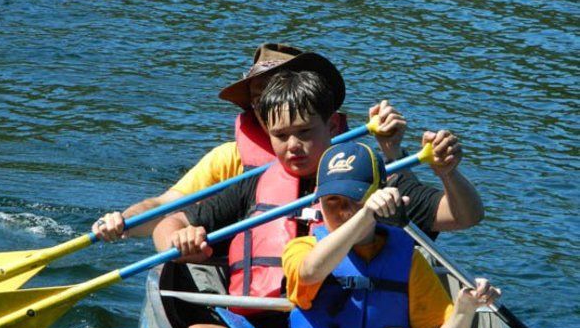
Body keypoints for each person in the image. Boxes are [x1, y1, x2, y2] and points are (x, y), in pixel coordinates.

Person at [92, 43, 483, 242]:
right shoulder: (238, 169)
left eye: (284, 91)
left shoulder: (362, 164)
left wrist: (422, 163)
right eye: (262, 97)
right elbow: (166, 210)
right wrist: (128, 224)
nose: (273, 103)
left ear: (324, 114)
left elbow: (460, 215)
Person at [153, 65, 347, 328]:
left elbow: (451, 216)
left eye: (305, 131)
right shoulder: (252, 181)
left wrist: (399, 155)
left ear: (332, 123)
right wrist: (177, 243)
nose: (294, 144)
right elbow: (167, 221)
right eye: (281, 134)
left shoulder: (361, 179)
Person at [280, 141, 500, 328]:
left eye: (357, 199)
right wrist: (365, 215)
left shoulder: (409, 262)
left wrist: (464, 310)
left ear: (381, 196)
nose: (345, 211)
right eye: (333, 200)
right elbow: (310, 272)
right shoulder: (300, 249)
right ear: (317, 199)